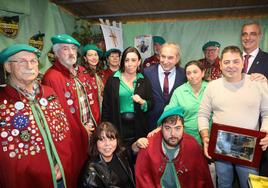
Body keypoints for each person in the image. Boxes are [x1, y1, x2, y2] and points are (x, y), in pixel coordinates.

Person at [0, 44, 75, 187]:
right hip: (25, 181)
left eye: (33, 61)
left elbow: (65, 133)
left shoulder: (49, 93)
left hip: (61, 175)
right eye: (22, 61)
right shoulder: (2, 101)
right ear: (8, 67)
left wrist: (62, 162)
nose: (29, 66)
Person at [198, 45, 268, 188]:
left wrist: (266, 132)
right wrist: (205, 138)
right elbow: (203, 114)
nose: (231, 66)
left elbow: (266, 113)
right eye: (227, 62)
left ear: (243, 62)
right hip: (220, 145)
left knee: (249, 185)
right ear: (220, 64)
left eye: (235, 61)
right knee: (223, 184)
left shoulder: (258, 84)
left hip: (249, 147)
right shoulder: (212, 86)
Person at [42, 34, 93, 185]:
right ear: (56, 53)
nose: (71, 52)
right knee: (75, 171)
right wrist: (82, 129)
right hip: (72, 136)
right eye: (65, 49)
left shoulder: (80, 72)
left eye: (73, 49)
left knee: (88, 171)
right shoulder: (51, 77)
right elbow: (58, 115)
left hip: (88, 131)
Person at [135, 107, 214, 188]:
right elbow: (142, 181)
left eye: (177, 128)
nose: (173, 134)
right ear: (160, 128)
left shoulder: (192, 145)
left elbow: (204, 178)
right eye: (167, 128)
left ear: (184, 128)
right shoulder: (148, 146)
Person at [102, 47, 154, 149]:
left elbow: (151, 103)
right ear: (123, 62)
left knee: (137, 156)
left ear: (139, 62)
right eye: (127, 60)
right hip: (117, 125)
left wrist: (143, 102)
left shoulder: (144, 80)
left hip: (139, 126)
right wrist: (105, 127)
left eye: (133, 60)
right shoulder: (113, 79)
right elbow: (106, 106)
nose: (130, 64)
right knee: (119, 154)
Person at [241, 21, 268, 177]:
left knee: (256, 173)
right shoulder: (234, 59)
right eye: (244, 34)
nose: (248, 37)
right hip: (236, 126)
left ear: (260, 36)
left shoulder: (267, 59)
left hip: (260, 127)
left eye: (252, 33)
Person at [144, 42, 186, 131]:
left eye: (170, 57)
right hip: (150, 124)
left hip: (174, 126)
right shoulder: (147, 73)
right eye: (163, 56)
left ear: (177, 59)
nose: (165, 61)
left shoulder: (184, 75)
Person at [79, 122, 135, 188]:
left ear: (117, 140)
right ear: (95, 142)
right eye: (102, 139)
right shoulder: (90, 172)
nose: (107, 144)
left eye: (111, 139)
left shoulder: (120, 155)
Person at [165, 60, 207, 145]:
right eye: (188, 73)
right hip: (186, 137)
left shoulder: (211, 88)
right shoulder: (179, 91)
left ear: (203, 73)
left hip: (208, 136)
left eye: (195, 72)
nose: (192, 76)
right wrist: (159, 127)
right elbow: (169, 113)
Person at [81, 44, 104, 111]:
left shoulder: (101, 73)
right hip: (91, 110)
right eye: (90, 55)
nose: (94, 58)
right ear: (85, 58)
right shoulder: (83, 74)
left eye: (95, 55)